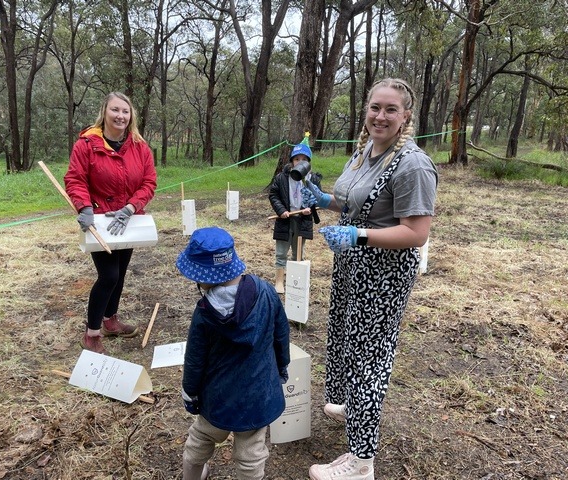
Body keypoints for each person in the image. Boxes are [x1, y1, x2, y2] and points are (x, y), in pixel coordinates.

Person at [303, 78, 438, 480]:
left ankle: (361, 462)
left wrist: (358, 235)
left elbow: (417, 232)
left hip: (383, 273)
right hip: (352, 268)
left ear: (406, 116)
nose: (380, 116)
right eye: (375, 107)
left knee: (370, 359)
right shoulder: (365, 151)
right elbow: (354, 201)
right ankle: (353, 406)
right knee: (346, 339)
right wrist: (325, 200)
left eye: (390, 109)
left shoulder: (412, 164)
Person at [176, 226, 290, 480]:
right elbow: (281, 335)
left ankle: (192, 476)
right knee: (251, 455)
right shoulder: (267, 291)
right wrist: (282, 367)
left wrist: (190, 393)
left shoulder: (204, 313)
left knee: (200, 441)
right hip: (259, 395)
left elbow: (195, 359)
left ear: (203, 276)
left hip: (218, 398)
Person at [64, 92, 157, 355]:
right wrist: (83, 207)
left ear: (131, 116)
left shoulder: (139, 146)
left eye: (125, 112)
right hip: (100, 222)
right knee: (109, 275)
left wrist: (130, 208)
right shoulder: (86, 144)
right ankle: (92, 333)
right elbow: (75, 179)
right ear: (105, 111)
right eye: (115, 110)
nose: (120, 116)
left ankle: (110, 321)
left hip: (127, 220)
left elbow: (149, 182)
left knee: (121, 272)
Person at [268, 138, 322, 293]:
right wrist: (281, 211)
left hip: (302, 220)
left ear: (309, 162)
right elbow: (274, 195)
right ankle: (279, 282)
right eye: (297, 159)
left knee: (298, 252)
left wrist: (309, 208)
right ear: (291, 161)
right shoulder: (281, 178)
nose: (300, 162)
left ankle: (294, 281)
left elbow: (319, 198)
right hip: (285, 220)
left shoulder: (313, 179)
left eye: (304, 159)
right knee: (281, 252)